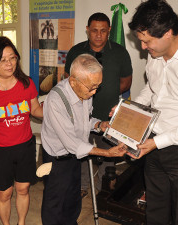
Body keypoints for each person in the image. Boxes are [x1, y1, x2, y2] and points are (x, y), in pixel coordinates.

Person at [128, 0, 178, 224]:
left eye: (147, 42)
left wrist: (157, 143)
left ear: (168, 33)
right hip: (153, 141)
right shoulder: (154, 54)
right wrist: (130, 111)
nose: (143, 48)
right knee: (155, 212)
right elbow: (152, 88)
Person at [41, 53, 127, 225]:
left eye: (97, 87)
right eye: (91, 87)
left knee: (73, 199)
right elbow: (72, 143)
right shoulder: (56, 101)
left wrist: (98, 125)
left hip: (74, 156)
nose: (95, 92)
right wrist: (107, 153)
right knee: (55, 203)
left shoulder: (84, 91)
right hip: (57, 159)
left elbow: (83, 120)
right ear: (73, 81)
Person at [0, 36, 43, 225]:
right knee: (5, 194)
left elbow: (35, 110)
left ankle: (21, 222)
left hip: (25, 147)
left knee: (23, 190)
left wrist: (53, 110)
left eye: (12, 58)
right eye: (3, 60)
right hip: (0, 150)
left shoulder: (26, 83)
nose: (9, 63)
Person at [64, 12, 133, 197]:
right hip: (80, 115)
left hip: (108, 116)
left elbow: (126, 82)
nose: (98, 35)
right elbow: (67, 80)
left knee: (108, 153)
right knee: (82, 151)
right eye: (94, 30)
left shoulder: (120, 52)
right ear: (87, 30)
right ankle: (82, 185)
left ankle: (105, 187)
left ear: (109, 30)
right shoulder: (76, 51)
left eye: (103, 31)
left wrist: (108, 92)